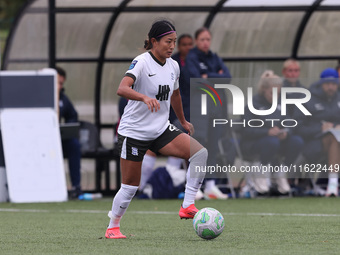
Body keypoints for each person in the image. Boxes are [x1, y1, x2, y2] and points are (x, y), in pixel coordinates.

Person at [105, 20, 207, 239]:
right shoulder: (141, 62)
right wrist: (143, 97)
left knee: (200, 153)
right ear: (154, 41)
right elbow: (122, 88)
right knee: (130, 187)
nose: (172, 46)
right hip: (134, 132)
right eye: (168, 41)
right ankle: (113, 226)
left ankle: (187, 205)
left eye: (174, 42)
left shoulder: (173, 65)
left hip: (160, 129)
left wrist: (183, 121)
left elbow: (176, 94)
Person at [185, 27, 231, 200]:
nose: (205, 43)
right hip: (199, 107)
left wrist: (208, 76)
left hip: (216, 107)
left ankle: (211, 185)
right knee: (199, 147)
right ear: (197, 41)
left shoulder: (214, 57)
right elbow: (196, 81)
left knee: (213, 146)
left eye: (208, 39)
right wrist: (214, 77)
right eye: (202, 39)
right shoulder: (192, 57)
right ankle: (194, 187)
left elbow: (227, 77)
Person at [241, 70, 304, 195]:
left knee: (297, 141)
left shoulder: (281, 103)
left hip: (277, 142)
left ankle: (280, 172)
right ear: (264, 89)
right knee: (272, 142)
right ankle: (260, 175)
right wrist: (267, 132)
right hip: (255, 143)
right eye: (272, 93)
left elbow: (289, 122)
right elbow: (245, 129)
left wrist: (286, 132)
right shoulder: (253, 103)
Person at [294, 68, 340, 197]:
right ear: (321, 84)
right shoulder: (308, 99)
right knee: (333, 138)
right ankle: (332, 184)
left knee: (336, 137)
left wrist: (337, 126)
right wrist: (320, 128)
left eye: (333, 84)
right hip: (313, 143)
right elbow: (298, 126)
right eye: (327, 84)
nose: (331, 87)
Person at [55, 66, 82, 199]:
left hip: (58, 139)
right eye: (58, 83)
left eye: (61, 83)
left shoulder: (62, 98)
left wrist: (65, 127)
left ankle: (76, 186)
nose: (60, 87)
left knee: (74, 145)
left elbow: (73, 115)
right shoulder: (39, 95)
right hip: (40, 140)